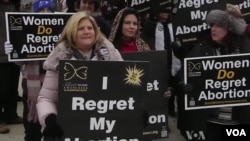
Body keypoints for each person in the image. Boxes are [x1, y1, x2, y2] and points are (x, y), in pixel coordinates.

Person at [36, 11, 123, 140]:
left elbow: (124, 92)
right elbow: (46, 98)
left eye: (90, 28)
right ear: (72, 32)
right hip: (71, 130)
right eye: (81, 28)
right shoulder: (59, 59)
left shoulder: (111, 55)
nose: (86, 31)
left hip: (103, 128)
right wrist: (50, 119)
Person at [175, 4, 250, 140]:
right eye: (212, 25)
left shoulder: (246, 50)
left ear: (230, 28)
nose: (213, 30)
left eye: (219, 25)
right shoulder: (202, 49)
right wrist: (184, 83)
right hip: (210, 122)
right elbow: (184, 72)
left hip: (238, 121)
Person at [4, 0, 55, 140]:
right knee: (32, 128)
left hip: (54, 89)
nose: (45, 13)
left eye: (48, 10)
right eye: (41, 10)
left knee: (52, 129)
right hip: (31, 88)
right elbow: (19, 63)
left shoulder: (60, 34)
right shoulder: (26, 33)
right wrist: (13, 50)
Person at [142, 6, 180, 117]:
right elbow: (145, 39)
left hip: (174, 60)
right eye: (163, 10)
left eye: (168, 10)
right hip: (159, 60)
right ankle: (161, 113)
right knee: (161, 86)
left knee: (172, 86)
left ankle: (171, 109)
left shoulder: (175, 23)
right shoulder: (151, 24)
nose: (165, 13)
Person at [0, 0, 23, 134]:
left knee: (12, 87)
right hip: (1, 54)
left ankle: (11, 114)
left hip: (14, 54)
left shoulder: (15, 6)